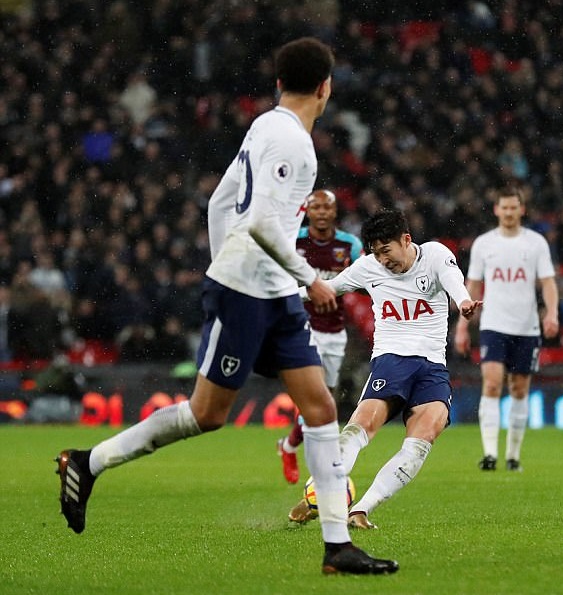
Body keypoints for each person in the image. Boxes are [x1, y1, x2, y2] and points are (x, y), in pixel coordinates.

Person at [55, 38, 397, 575]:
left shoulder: (265, 125)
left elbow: (220, 201)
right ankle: (88, 462)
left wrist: (239, 261)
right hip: (248, 294)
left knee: (322, 409)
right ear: (326, 87)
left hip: (273, 293)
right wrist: (309, 279)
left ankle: (338, 548)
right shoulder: (293, 144)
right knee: (206, 414)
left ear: (280, 83)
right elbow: (261, 221)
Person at [288, 208, 481, 529]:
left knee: (424, 437)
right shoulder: (367, 268)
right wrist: (274, 303)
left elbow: (453, 281)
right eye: (376, 253)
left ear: (406, 240)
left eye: (386, 250)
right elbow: (327, 289)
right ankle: (321, 490)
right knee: (362, 426)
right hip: (392, 360)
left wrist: (462, 302)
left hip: (433, 367)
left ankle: (360, 509)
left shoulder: (434, 255)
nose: (382, 259)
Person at [454, 186, 559, 472]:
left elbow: (548, 282)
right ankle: (489, 454)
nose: (509, 212)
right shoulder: (484, 244)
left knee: (519, 389)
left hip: (526, 327)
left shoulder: (536, 243)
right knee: (491, 383)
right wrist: (462, 327)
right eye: (505, 207)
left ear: (521, 210)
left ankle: (513, 455)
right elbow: (472, 286)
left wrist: (552, 313)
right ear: (496, 210)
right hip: (493, 324)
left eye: (514, 208)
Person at [276, 188, 363, 485]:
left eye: (328, 208)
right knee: (319, 402)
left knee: (323, 404)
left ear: (335, 212)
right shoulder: (293, 240)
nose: (322, 213)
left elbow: (363, 278)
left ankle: (288, 446)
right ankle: (324, 470)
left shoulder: (349, 245)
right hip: (301, 328)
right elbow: (278, 281)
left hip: (335, 332)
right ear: (307, 211)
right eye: (317, 208)